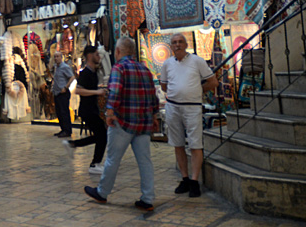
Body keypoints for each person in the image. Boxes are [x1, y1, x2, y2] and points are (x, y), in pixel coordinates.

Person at [84, 37, 159, 212]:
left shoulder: (119, 68)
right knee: (145, 161)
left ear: (118, 52)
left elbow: (115, 91)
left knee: (112, 159)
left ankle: (102, 193)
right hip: (143, 123)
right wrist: (154, 115)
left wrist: (109, 112)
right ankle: (147, 198)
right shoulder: (144, 69)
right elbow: (152, 95)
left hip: (123, 122)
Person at [160, 33, 218, 198]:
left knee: (195, 144)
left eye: (180, 42)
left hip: (192, 108)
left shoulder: (197, 61)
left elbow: (213, 82)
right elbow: (164, 86)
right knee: (177, 143)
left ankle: (194, 180)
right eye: (174, 42)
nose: (177, 45)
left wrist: (196, 91)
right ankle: (184, 178)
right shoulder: (167, 64)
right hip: (173, 107)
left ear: (186, 45)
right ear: (171, 46)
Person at [62, 45, 108, 174]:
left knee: (101, 136)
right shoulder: (85, 73)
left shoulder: (93, 72)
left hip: (92, 109)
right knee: (102, 135)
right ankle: (94, 164)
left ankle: (73, 145)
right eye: (97, 54)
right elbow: (78, 90)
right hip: (87, 110)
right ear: (90, 56)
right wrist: (97, 92)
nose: (99, 57)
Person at [50, 52, 75, 137]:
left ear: (61, 57)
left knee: (64, 112)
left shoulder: (65, 67)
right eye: (55, 56)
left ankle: (67, 131)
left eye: (57, 56)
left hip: (63, 93)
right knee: (59, 112)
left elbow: (72, 77)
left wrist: (66, 87)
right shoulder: (56, 67)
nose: (56, 58)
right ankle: (63, 129)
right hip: (57, 93)